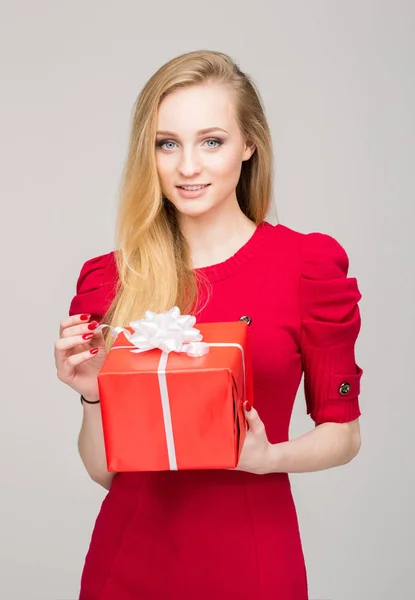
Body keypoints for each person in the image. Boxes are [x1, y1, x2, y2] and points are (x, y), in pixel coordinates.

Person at [55, 50, 363, 600]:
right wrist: (91, 395)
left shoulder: (306, 269)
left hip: (252, 554)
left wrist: (269, 458)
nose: (188, 166)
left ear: (249, 145)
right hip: (128, 561)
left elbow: (343, 434)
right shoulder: (110, 279)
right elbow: (107, 472)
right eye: (166, 143)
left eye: (211, 141)